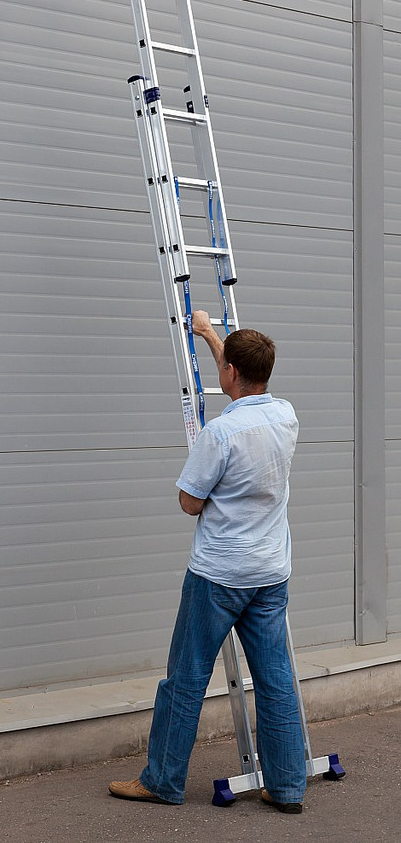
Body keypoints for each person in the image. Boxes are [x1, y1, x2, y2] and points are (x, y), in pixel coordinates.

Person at [108, 311, 307, 812]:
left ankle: (163, 781)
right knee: (276, 680)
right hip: (269, 573)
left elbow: (189, 502)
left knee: (186, 678)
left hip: (218, 575)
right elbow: (242, 380)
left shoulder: (219, 435)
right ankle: (286, 788)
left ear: (230, 376)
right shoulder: (285, 415)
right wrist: (212, 337)